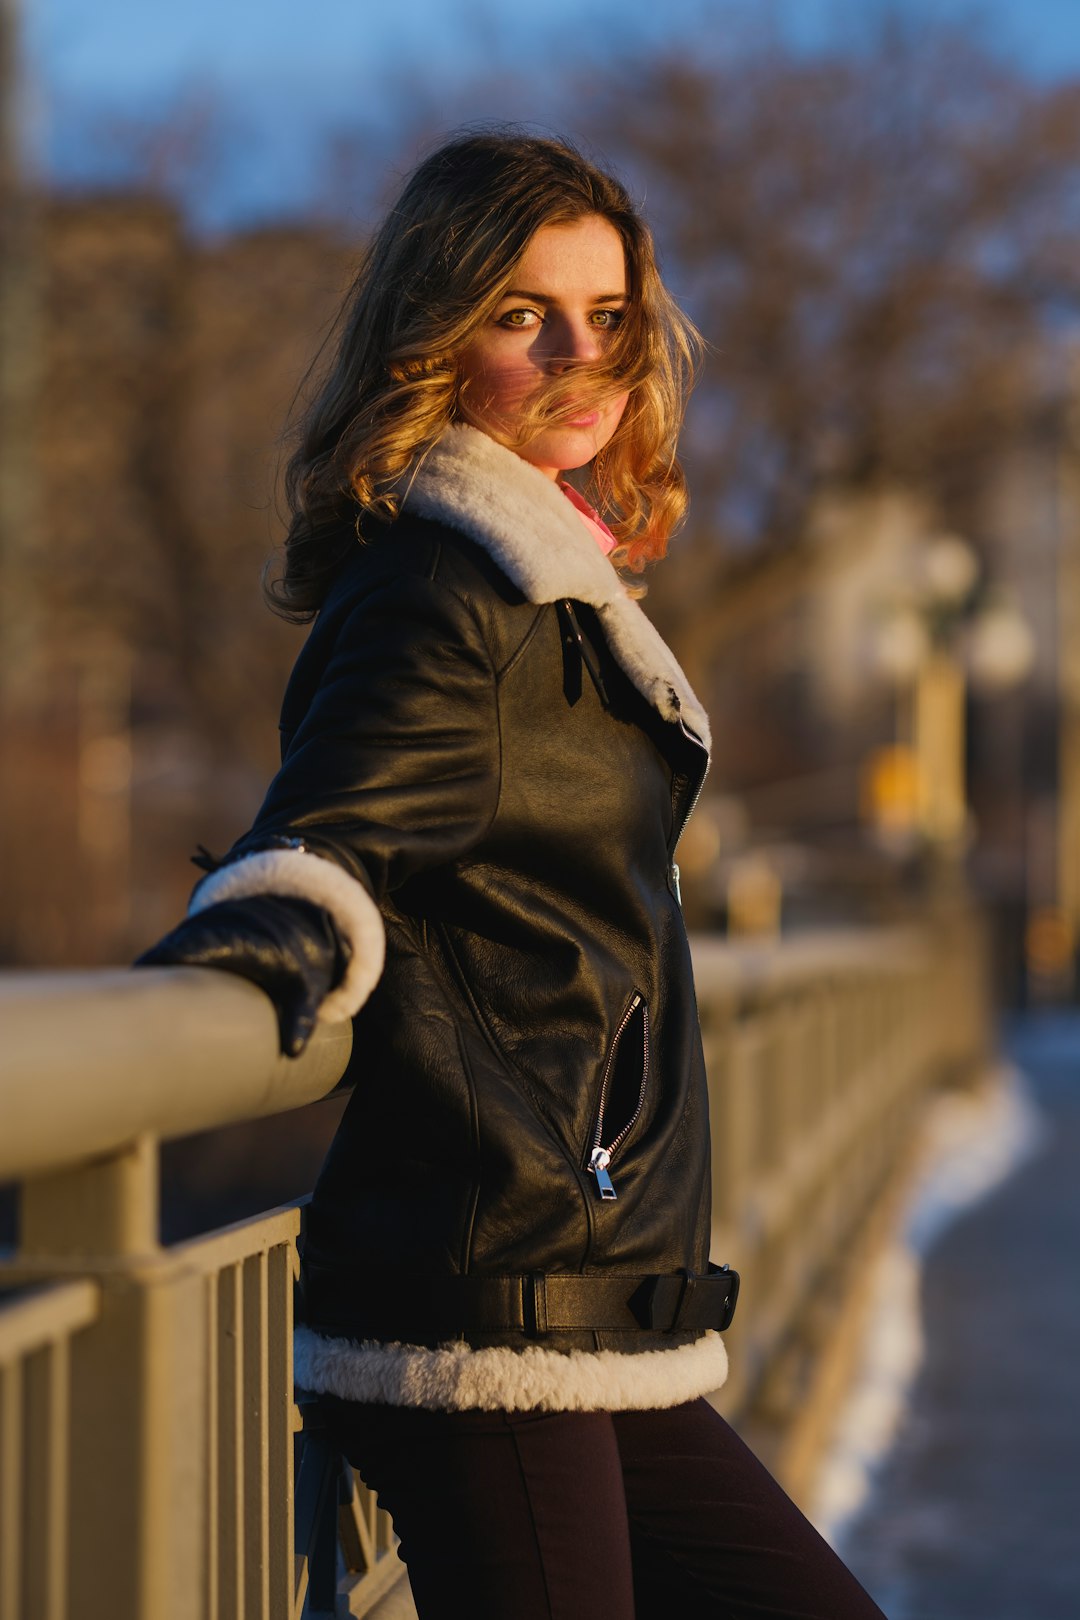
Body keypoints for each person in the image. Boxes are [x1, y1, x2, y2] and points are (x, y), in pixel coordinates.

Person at [139, 131, 886, 1620]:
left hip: (589, 1302)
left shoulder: (546, 580)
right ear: (435, 330)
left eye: (607, 316)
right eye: (522, 313)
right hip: (488, 1317)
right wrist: (282, 926)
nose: (579, 355)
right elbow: (336, 827)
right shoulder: (447, 588)